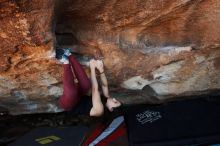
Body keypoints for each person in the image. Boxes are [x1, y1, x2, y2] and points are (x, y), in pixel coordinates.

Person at [56, 48, 121, 117]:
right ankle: (69, 55)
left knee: (72, 93)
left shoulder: (99, 111)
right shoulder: (107, 99)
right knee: (86, 85)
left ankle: (65, 62)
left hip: (69, 104)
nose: (114, 99)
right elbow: (104, 85)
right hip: (79, 97)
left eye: (115, 102)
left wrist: (92, 67)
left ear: (111, 109)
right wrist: (101, 70)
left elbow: (95, 89)